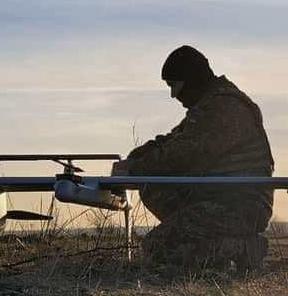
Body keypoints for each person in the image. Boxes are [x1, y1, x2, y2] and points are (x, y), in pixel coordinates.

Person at [112, 45, 274, 272]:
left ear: (191, 79)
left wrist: (136, 169)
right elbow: (173, 140)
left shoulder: (224, 108)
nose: (173, 95)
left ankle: (241, 248)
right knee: (154, 188)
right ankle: (220, 249)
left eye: (175, 85)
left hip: (239, 205)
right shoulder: (211, 104)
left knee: (159, 248)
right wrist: (137, 157)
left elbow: (184, 156)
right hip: (217, 197)